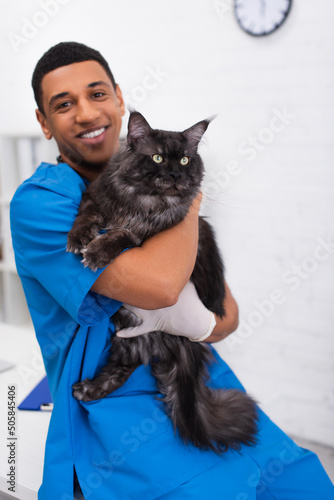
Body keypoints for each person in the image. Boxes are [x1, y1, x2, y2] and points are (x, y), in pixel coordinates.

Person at [10, 42, 333, 500]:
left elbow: (226, 320)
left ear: (119, 100)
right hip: (117, 409)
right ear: (44, 122)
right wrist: (189, 198)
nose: (85, 113)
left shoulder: (159, 180)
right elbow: (161, 287)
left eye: (97, 94)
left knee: (304, 482)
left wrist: (199, 318)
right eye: (63, 104)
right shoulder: (41, 203)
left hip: (194, 375)